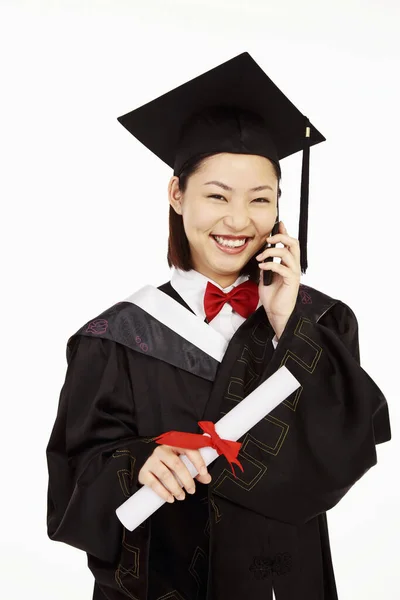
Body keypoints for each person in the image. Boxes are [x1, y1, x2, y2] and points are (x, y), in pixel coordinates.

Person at [46, 52, 391, 600]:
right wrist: (137, 463)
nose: (238, 221)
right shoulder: (115, 338)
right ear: (177, 195)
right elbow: (72, 479)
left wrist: (285, 323)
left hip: (283, 585)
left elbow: (348, 449)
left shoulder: (319, 322)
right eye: (216, 196)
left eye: (260, 199)